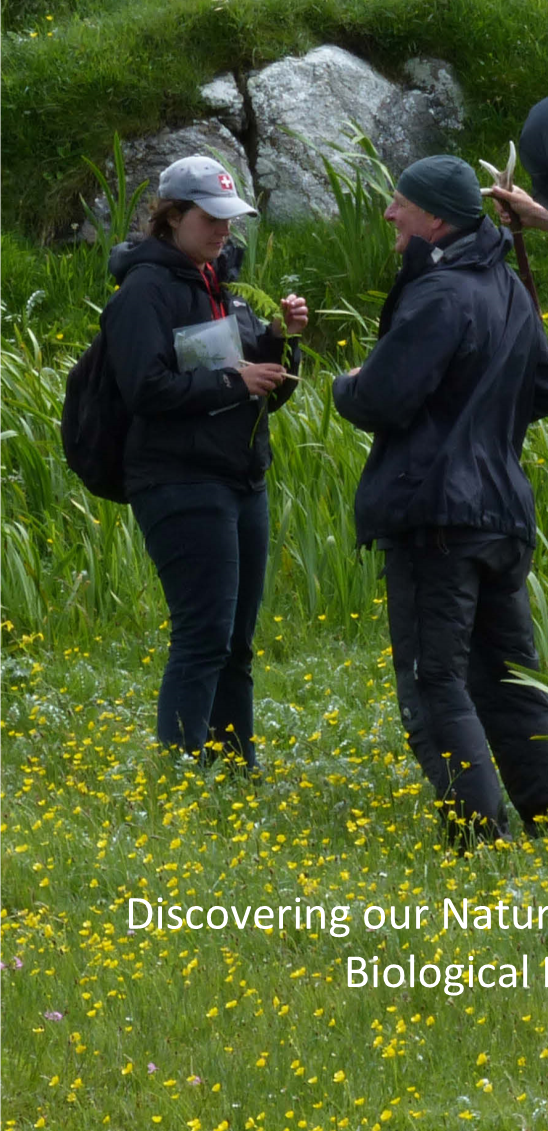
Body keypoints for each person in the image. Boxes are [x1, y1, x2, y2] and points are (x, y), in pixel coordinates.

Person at [332, 155, 548, 843]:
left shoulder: (439, 294)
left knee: (433, 679)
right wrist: (481, 411)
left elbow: (382, 397)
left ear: (435, 218)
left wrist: (346, 382)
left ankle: (476, 839)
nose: (388, 215)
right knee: (509, 675)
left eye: (399, 204)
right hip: (501, 511)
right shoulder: (504, 288)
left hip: (436, 511)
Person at [103, 155, 307, 771]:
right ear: (171, 218)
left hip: (241, 477)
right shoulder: (144, 292)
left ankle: (235, 769)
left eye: (230, 219)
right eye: (211, 218)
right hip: (178, 480)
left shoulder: (221, 285)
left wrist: (279, 343)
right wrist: (232, 381)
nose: (224, 231)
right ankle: (181, 775)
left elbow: (265, 394)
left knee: (237, 644)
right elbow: (145, 389)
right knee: (202, 637)